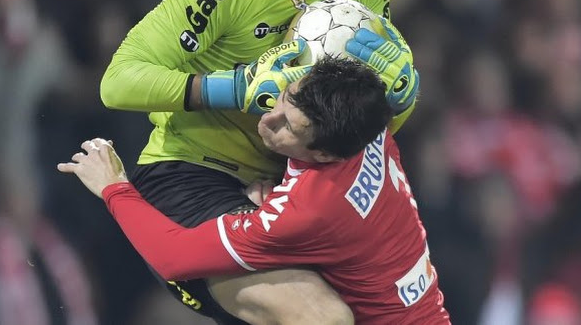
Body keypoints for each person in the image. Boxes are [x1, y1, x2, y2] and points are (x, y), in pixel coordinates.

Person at [98, 0, 419, 323]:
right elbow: (118, 81)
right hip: (194, 175)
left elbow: (358, 122)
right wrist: (234, 87)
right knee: (319, 319)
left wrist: (400, 99)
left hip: (293, 184)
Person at [60, 58, 450, 324]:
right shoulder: (367, 120)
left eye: (288, 128)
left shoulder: (308, 210)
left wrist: (114, 188)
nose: (268, 120)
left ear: (324, 153)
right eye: (284, 100)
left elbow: (173, 257)